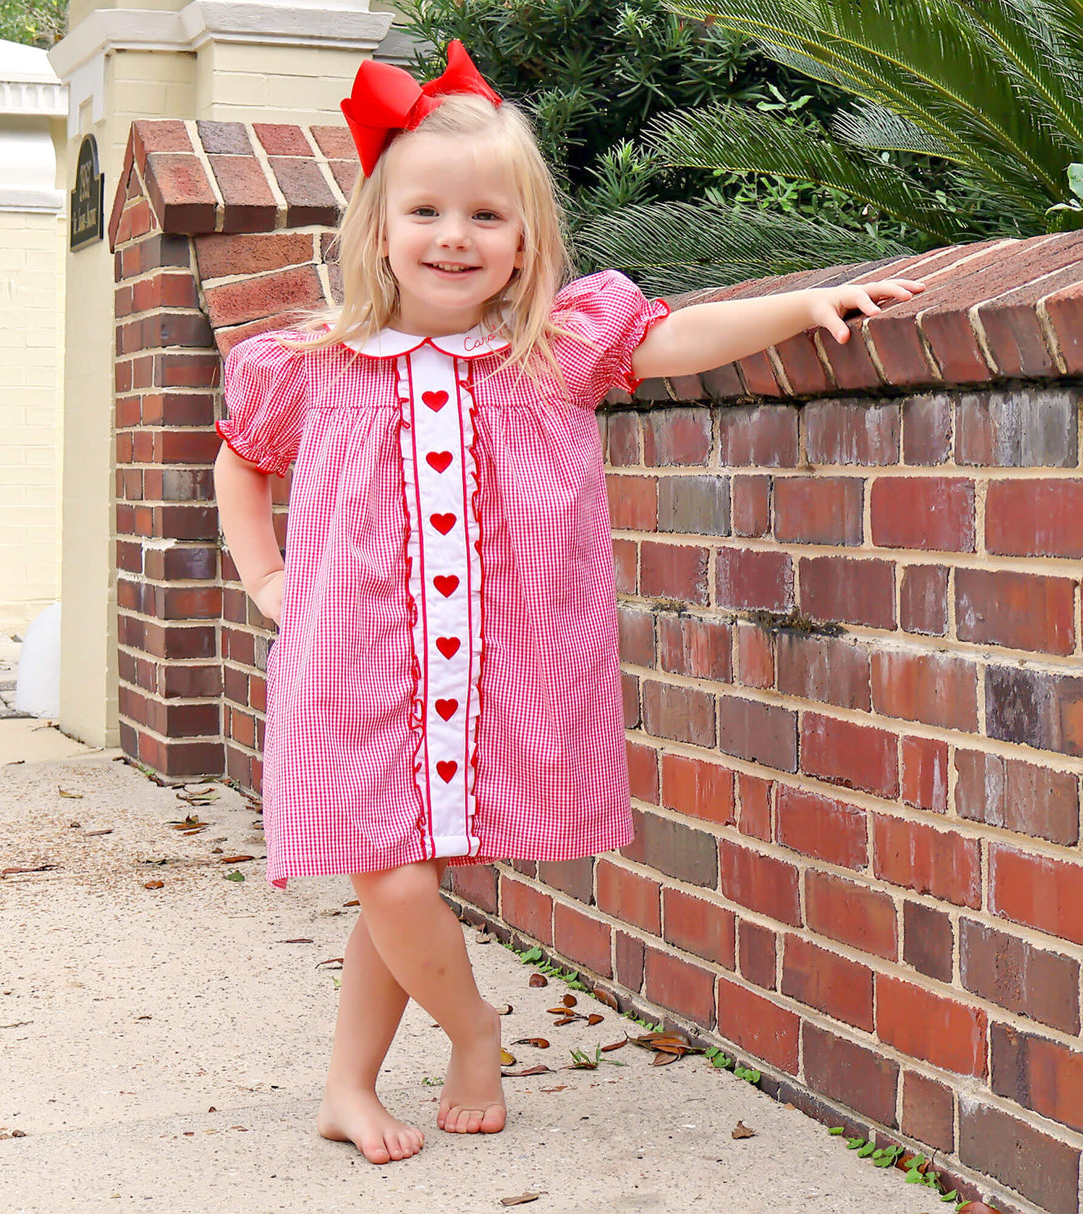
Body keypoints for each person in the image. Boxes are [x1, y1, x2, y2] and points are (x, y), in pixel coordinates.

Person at [213, 41, 925, 1167]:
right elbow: (239, 461)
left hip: (489, 670)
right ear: (376, 226)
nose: (454, 236)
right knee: (386, 870)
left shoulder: (553, 345)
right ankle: (475, 1029)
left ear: (526, 240)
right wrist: (265, 578)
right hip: (349, 666)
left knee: (402, 875)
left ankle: (346, 1084)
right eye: (427, 210)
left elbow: (677, 339)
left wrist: (804, 300)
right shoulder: (312, 361)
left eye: (487, 216)